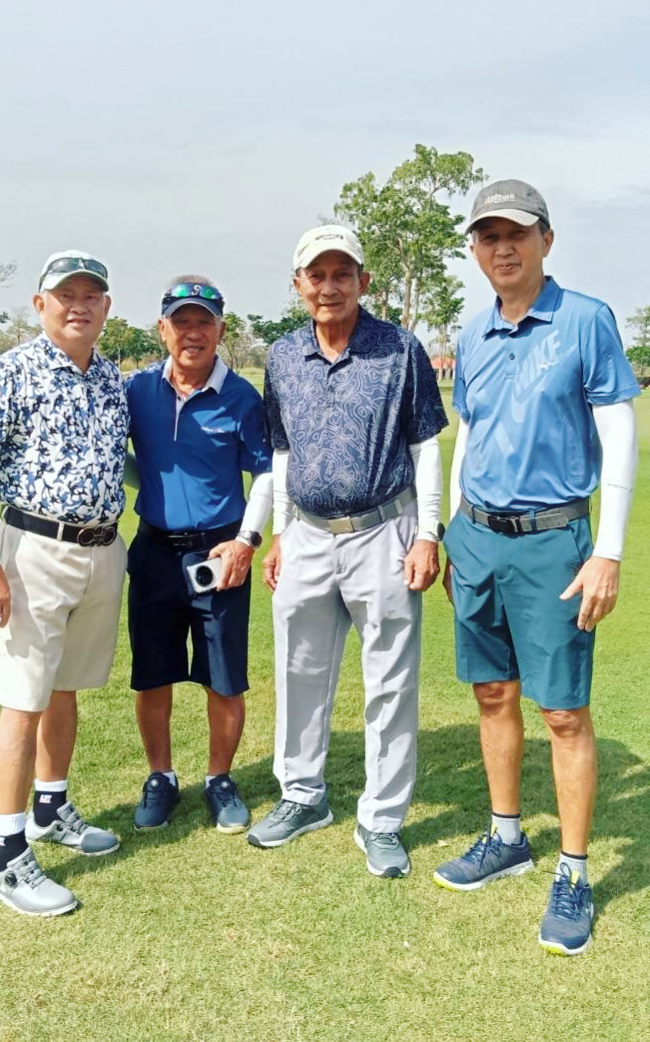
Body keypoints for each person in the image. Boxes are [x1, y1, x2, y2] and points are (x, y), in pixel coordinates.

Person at [433, 181, 640, 956]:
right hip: (478, 537)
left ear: (546, 240)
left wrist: (608, 549)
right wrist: (453, 530)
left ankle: (575, 872)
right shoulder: (473, 331)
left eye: (516, 233)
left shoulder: (584, 319)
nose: (503, 247)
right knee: (492, 693)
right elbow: (470, 433)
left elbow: (618, 434)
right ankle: (506, 836)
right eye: (487, 236)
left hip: (554, 538)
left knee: (563, 712)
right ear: (475, 249)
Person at [250, 224, 448, 878]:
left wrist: (428, 533)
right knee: (299, 671)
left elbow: (425, 445)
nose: (329, 287)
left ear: (363, 281)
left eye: (343, 274)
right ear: (298, 285)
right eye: (317, 275)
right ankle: (302, 795)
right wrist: (280, 531)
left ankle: (382, 819)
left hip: (384, 531)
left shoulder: (400, 349)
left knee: (390, 680)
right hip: (306, 534)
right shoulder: (282, 356)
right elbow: (282, 451)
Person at [0, 249, 130, 917]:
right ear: (40, 304)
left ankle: (50, 808)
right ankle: (6, 857)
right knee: (22, 701)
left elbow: (115, 463)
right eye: (65, 295)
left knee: (63, 688)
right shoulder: (13, 371)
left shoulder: (110, 377)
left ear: (106, 306)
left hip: (101, 550)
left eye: (91, 295)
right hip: (32, 552)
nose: (78, 305)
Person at [123, 276, 273, 833]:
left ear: (221, 330)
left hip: (220, 554)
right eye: (181, 322)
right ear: (162, 329)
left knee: (223, 678)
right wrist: (146, 482)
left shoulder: (242, 398)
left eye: (203, 323)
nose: (192, 333)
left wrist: (247, 541)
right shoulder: (137, 390)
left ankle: (219, 779)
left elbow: (264, 474)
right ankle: (160, 777)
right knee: (152, 675)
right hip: (154, 553)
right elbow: (121, 456)